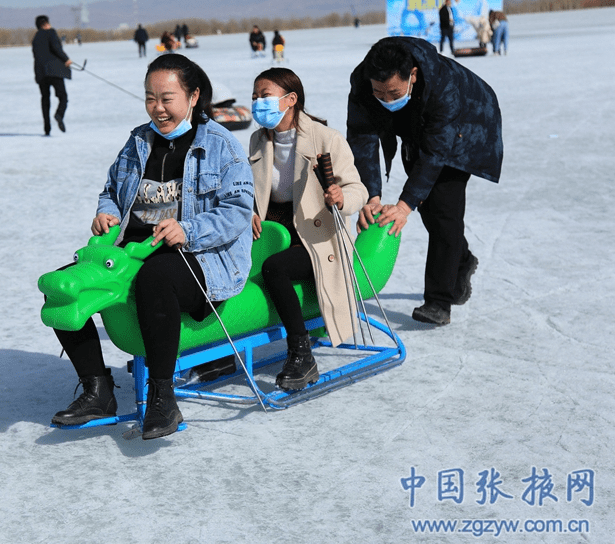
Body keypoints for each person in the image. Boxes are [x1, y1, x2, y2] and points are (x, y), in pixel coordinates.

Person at [49, 53, 254, 440]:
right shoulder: (137, 142)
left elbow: (238, 213)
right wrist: (105, 214)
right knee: (65, 286)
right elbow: (111, 190)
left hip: (201, 257)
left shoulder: (223, 146)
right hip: (133, 251)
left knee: (156, 277)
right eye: (150, 98)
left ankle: (162, 396)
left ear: (193, 97)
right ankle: (97, 389)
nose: (158, 108)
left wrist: (188, 229)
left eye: (167, 98)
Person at [346, 36, 503, 326]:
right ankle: (462, 258)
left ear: (413, 76)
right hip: (415, 125)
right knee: (429, 209)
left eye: (393, 93)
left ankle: (440, 300)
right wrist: (371, 196)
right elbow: (362, 138)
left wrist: (405, 206)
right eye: (379, 93)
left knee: (444, 209)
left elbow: (436, 153)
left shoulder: (446, 86)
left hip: (468, 125)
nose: (386, 100)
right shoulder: (363, 81)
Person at [247, 68, 368, 390]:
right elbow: (248, 188)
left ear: (291, 99)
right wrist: (248, 212)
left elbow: (358, 188)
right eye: (255, 96)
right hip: (272, 230)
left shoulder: (325, 138)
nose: (259, 102)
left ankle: (301, 353)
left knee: (274, 269)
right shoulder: (258, 140)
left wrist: (342, 198)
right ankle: (212, 355)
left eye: (265, 95)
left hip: (315, 236)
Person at [32, 15, 73, 136]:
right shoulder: (50, 32)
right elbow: (56, 48)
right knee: (63, 96)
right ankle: (59, 114)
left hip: (40, 72)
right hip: (54, 70)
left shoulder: (35, 38)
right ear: (45, 24)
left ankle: (47, 128)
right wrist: (66, 59)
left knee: (45, 99)